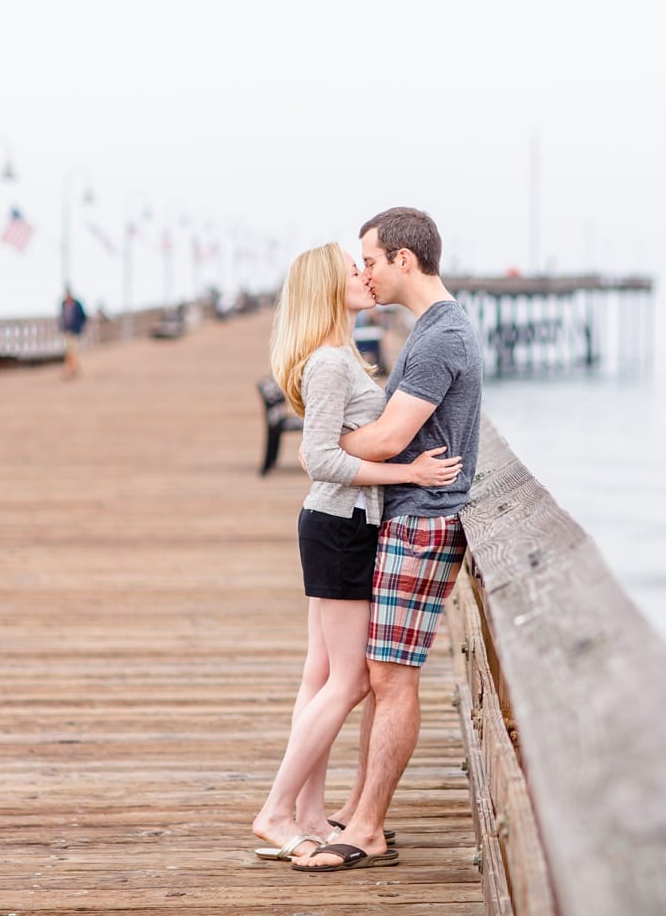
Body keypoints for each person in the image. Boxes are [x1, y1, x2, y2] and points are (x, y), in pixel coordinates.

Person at [251, 242, 462, 864]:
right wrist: (409, 475)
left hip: (335, 523)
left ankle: (309, 812)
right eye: (353, 269)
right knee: (347, 680)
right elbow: (316, 458)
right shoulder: (330, 363)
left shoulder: (341, 355)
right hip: (340, 525)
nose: (365, 275)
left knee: (320, 673)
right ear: (327, 288)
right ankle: (275, 811)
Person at [58, 288, 87, 378]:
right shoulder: (63, 304)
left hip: (74, 331)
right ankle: (73, 368)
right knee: (69, 351)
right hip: (67, 331)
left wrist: (79, 326)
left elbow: (83, 316)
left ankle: (71, 369)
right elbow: (62, 317)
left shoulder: (77, 304)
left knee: (71, 350)